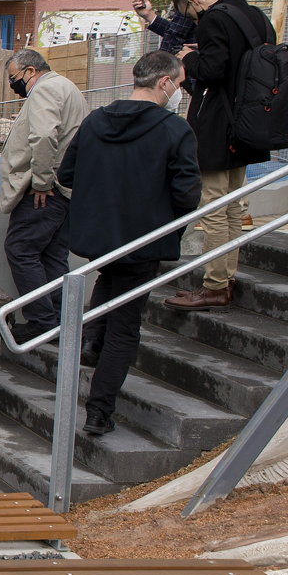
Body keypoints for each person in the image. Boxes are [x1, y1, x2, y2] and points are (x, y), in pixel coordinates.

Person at [58, 50, 201, 435]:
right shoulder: (175, 130)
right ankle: (99, 411)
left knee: (111, 278)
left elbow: (67, 173)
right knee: (126, 326)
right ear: (164, 83)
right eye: (180, 84)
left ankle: (91, 340)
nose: (180, 92)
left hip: (100, 236)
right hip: (143, 240)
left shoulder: (95, 121)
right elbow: (187, 194)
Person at [161, 0, 275, 312]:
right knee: (233, 207)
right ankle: (226, 278)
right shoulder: (255, 15)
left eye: (189, 13)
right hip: (248, 123)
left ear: (195, 0)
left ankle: (214, 285)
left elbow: (213, 70)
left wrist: (188, 58)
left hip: (217, 126)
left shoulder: (215, 19)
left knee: (212, 208)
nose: (194, 20)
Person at [0, 49, 87, 337]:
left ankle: (42, 323)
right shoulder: (67, 87)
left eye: (14, 77)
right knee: (52, 256)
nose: (14, 84)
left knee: (21, 249)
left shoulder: (45, 89)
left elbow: (45, 135)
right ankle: (60, 321)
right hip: (68, 189)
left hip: (47, 191)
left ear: (30, 71)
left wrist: (41, 182)